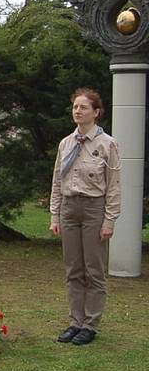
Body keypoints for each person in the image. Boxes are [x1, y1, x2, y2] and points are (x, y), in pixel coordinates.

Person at [50, 88, 121, 346]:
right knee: (73, 269)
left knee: (94, 269)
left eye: (83, 107)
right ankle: (75, 322)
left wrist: (109, 220)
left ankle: (90, 324)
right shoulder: (66, 143)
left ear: (96, 112)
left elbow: (113, 184)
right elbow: (58, 181)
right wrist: (55, 215)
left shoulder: (107, 144)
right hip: (69, 208)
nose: (77, 111)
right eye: (75, 107)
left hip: (93, 209)